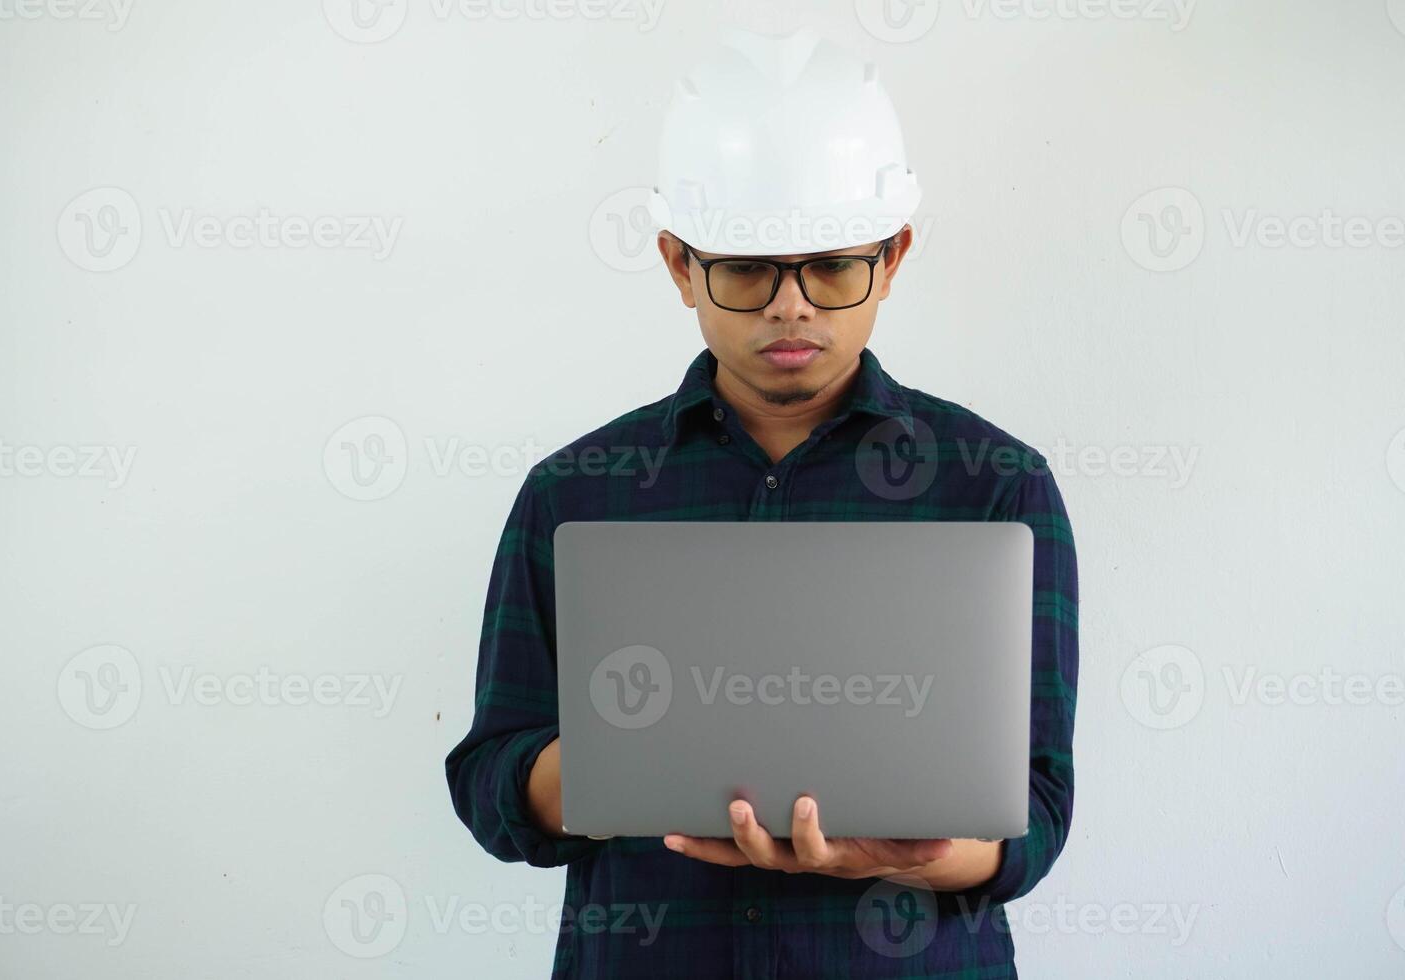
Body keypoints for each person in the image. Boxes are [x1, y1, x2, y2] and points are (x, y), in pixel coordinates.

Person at [446, 26, 1078, 979]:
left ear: (893, 255)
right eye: (746, 269)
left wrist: (921, 856)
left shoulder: (995, 487)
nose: (793, 307)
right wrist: (627, 762)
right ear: (677, 264)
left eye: (832, 265)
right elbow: (491, 780)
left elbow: (1036, 810)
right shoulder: (575, 493)